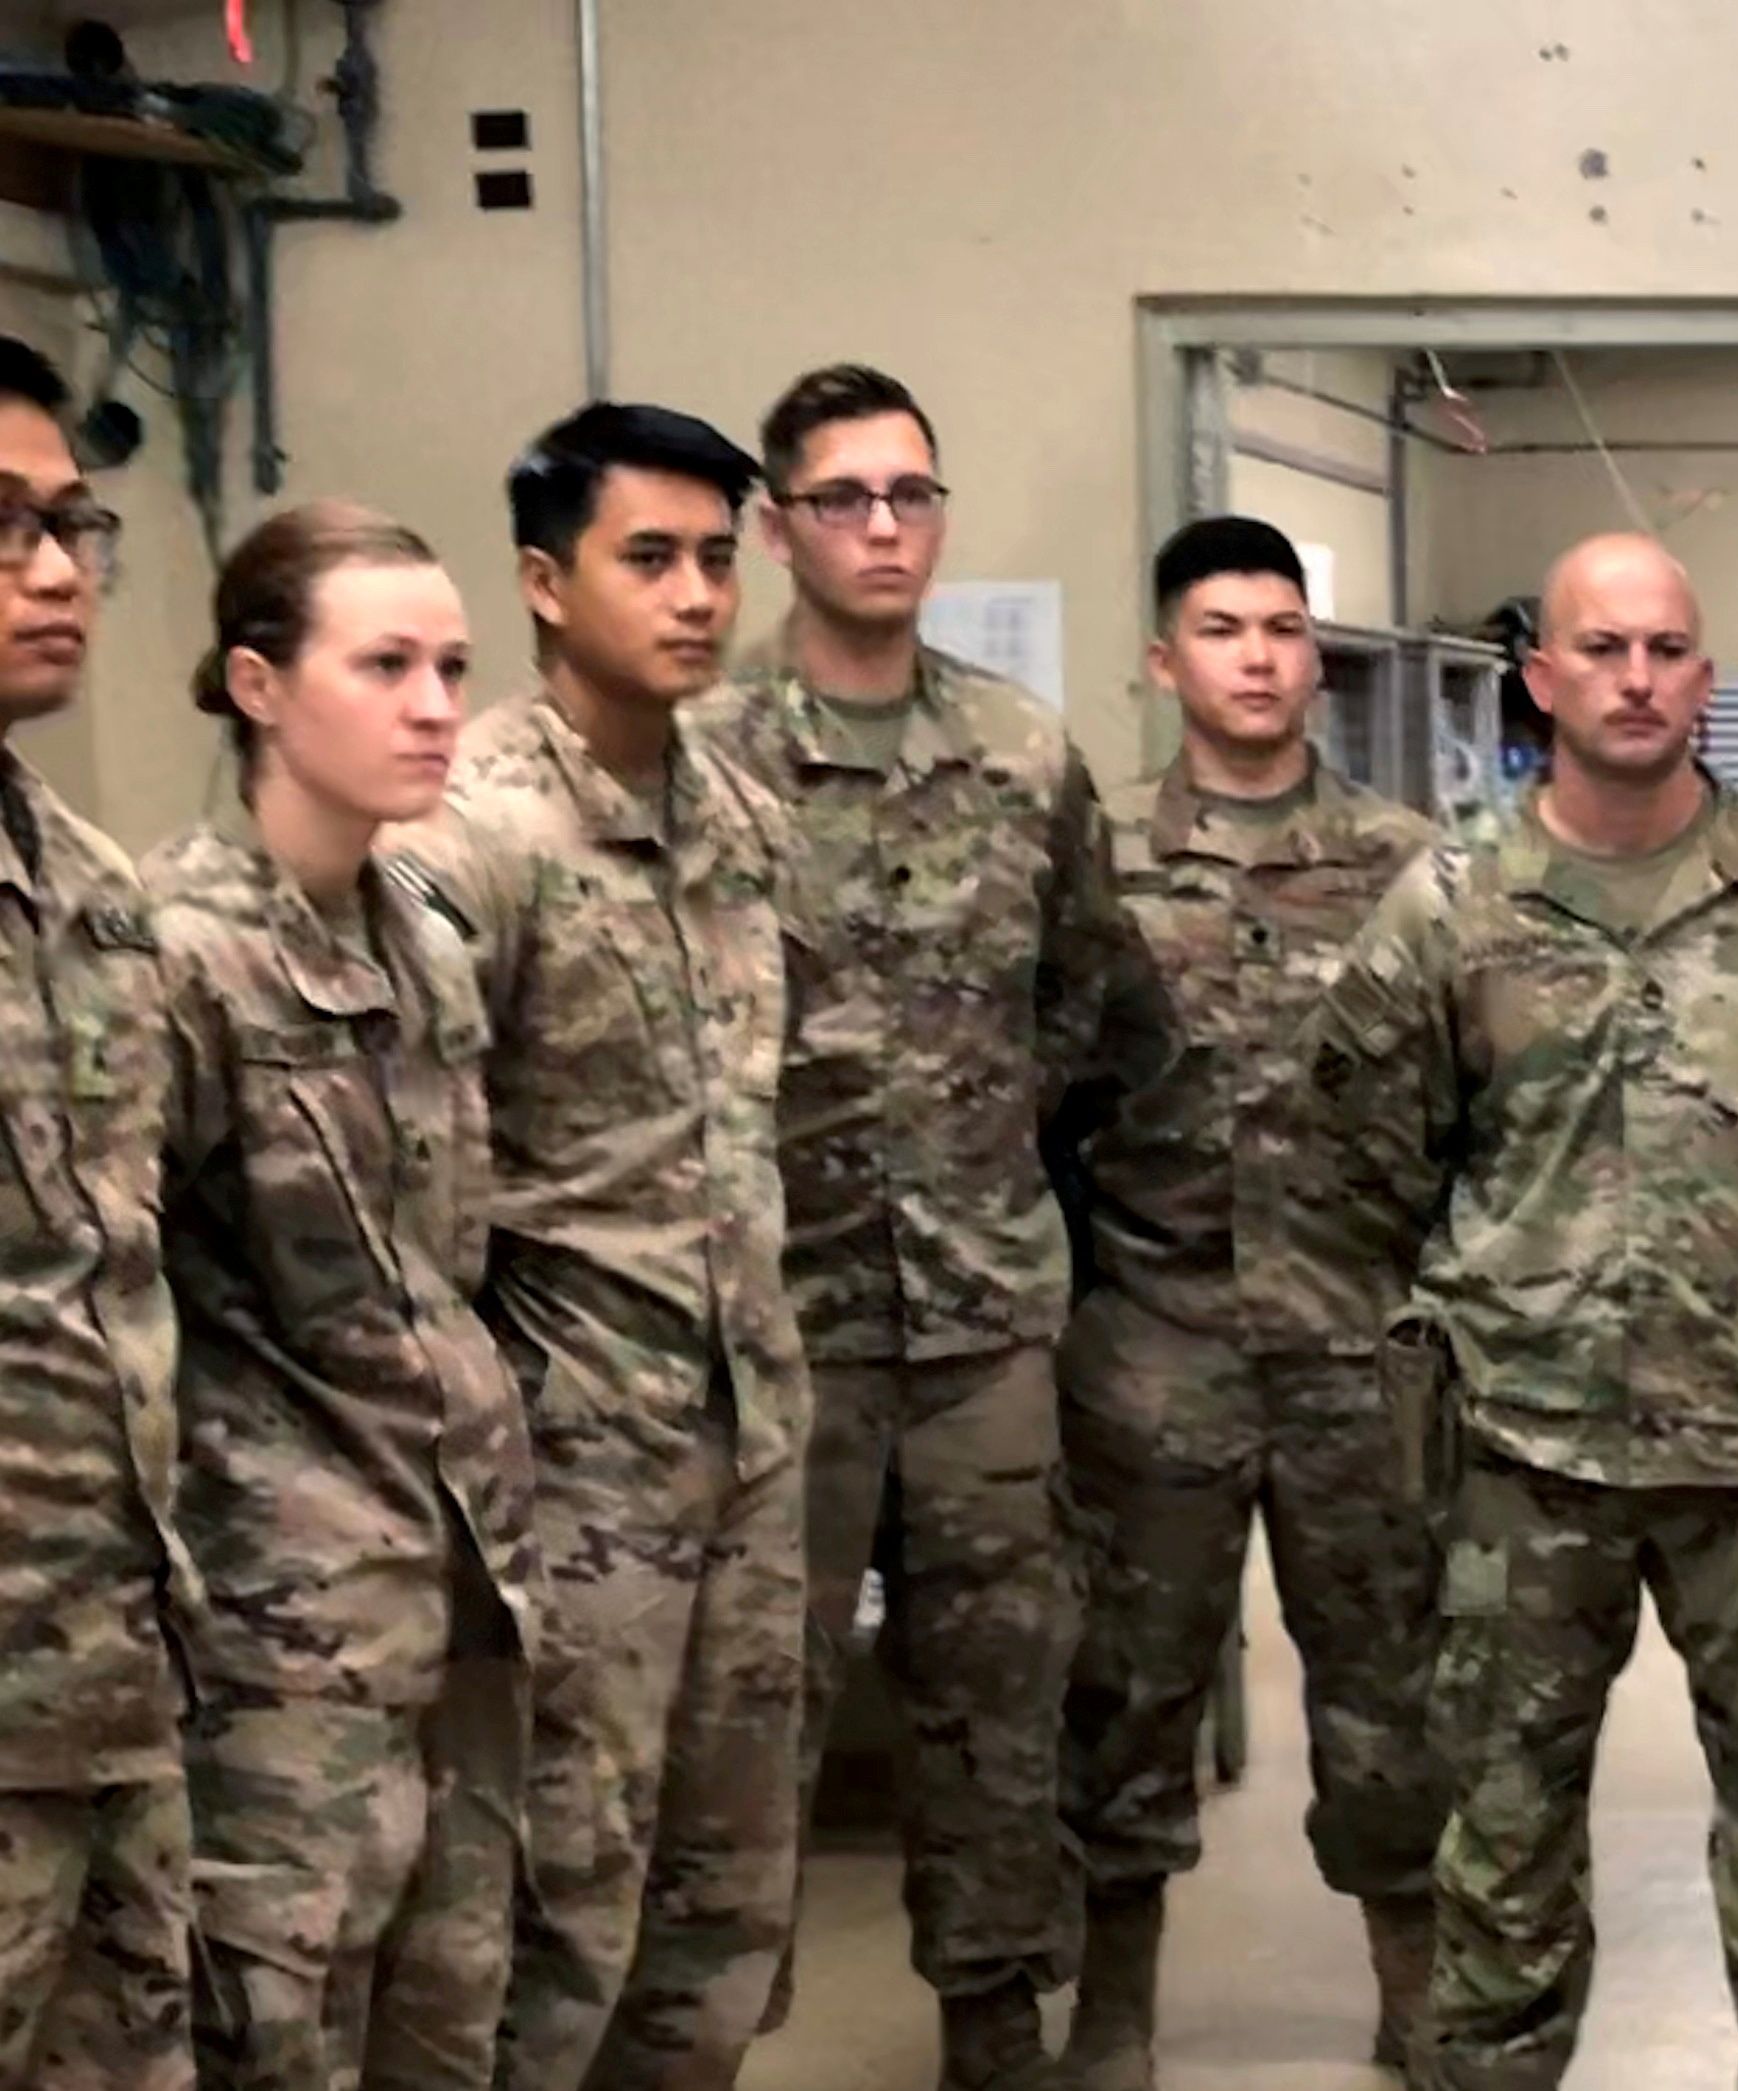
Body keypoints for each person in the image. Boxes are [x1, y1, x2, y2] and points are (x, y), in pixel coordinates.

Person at [1272, 532, 1738, 2091]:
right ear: (1540, 676)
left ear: (1701, 677)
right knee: (1500, 1849)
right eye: (1600, 647)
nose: (1635, 678)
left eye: (1663, 649)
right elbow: (1360, 1167)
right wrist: (1497, 1305)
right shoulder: (1451, 907)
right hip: (1524, 1454)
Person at [695, 363, 1162, 2090]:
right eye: (843, 498)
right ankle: (706, 2038)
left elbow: (1091, 1001)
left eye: (912, 494)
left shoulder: (1024, 755)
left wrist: (984, 1150)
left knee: (999, 1699)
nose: (884, 528)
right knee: (756, 1710)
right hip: (781, 1327)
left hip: (982, 1323)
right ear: (778, 529)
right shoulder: (708, 761)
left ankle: (996, 2027)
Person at [385, 403, 812, 2091]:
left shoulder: (736, 814)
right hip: (571, 1467)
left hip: (745, 1435)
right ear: (546, 583)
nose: (695, 594)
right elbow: (413, 1189)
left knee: (725, 1902)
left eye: (714, 557)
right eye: (649, 557)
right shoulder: (468, 833)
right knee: (559, 1904)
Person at [1053, 515, 1444, 2086]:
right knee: (1127, 1688)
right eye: (1222, 630)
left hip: (1356, 1342)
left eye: (1283, 629)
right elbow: (1046, 1093)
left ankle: (1413, 1981)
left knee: (1388, 1684)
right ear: (1165, 661)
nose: (1258, 658)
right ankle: (1115, 2003)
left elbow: (1461, 1097)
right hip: (1159, 1342)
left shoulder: (1407, 864)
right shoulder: (1098, 864)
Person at [149, 504, 530, 2091]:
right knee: (276, 2032)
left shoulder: (423, 937)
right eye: (384, 666)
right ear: (258, 685)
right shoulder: (169, 956)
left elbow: (442, 1270)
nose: (435, 705)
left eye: (450, 665)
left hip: (453, 1586)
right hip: (274, 1633)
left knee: (450, 2022)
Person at [0, 333, 195, 2091]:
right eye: (4, 526)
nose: (58, 569)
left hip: (106, 1665)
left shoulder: (86, 884)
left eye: (73, 523)